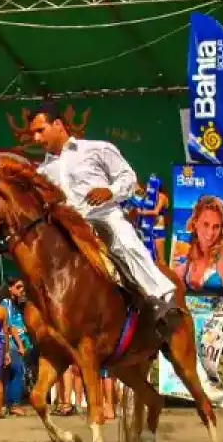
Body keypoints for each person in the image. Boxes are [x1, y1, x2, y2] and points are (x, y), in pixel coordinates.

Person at [29, 101, 178, 334]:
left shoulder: (97, 149)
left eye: (40, 130)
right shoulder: (41, 172)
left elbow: (128, 178)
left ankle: (162, 299)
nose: (36, 139)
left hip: (102, 216)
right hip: (67, 229)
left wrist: (110, 191)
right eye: (33, 134)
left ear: (58, 124)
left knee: (124, 240)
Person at [173, 195, 223, 291]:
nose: (210, 233)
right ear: (195, 222)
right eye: (206, 224)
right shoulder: (188, 251)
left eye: (216, 226)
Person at [0, 278, 32, 416]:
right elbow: (11, 327)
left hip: (16, 341)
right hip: (11, 342)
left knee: (10, 373)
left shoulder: (16, 304)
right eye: (18, 287)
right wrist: (20, 345)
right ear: (10, 288)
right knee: (17, 371)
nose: (21, 290)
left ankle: (8, 404)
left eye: (22, 287)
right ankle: (14, 404)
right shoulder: (6, 303)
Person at [138, 180, 170, 264]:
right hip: (147, 228)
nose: (148, 188)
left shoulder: (162, 196)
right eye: (148, 185)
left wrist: (142, 212)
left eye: (150, 186)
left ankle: (165, 276)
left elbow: (156, 212)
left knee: (160, 259)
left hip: (158, 229)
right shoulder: (147, 197)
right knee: (149, 258)